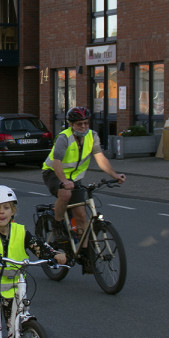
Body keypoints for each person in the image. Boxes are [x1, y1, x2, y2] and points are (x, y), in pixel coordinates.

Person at [0, 185, 67, 338]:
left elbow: (38, 245)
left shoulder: (21, 231)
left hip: (11, 280)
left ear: (13, 211)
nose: (2, 212)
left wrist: (54, 254)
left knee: (13, 321)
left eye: (6, 207)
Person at [42, 106, 125, 263]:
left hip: (75, 178)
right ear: (72, 124)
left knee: (81, 214)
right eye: (79, 124)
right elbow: (57, 161)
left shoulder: (92, 136)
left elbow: (100, 158)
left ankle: (85, 253)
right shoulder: (63, 138)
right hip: (53, 173)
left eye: (86, 123)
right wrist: (64, 181)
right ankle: (58, 224)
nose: (84, 127)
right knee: (65, 194)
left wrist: (114, 174)